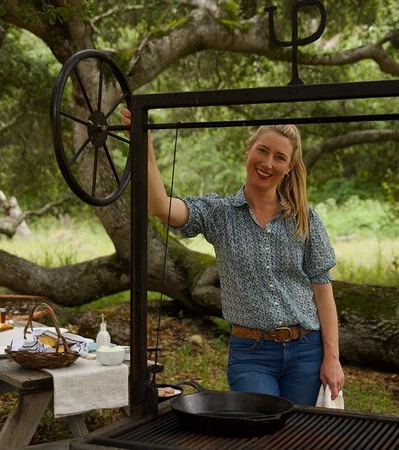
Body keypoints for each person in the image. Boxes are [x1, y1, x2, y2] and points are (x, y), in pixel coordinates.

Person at [121, 108, 345, 406]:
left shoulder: (304, 218)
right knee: (258, 426)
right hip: (251, 354)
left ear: (289, 167)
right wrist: (144, 143)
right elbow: (161, 206)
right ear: (248, 150)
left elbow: (322, 290)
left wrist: (332, 357)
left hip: (306, 349)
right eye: (262, 151)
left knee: (301, 429)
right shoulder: (220, 214)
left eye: (279, 157)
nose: (268, 163)